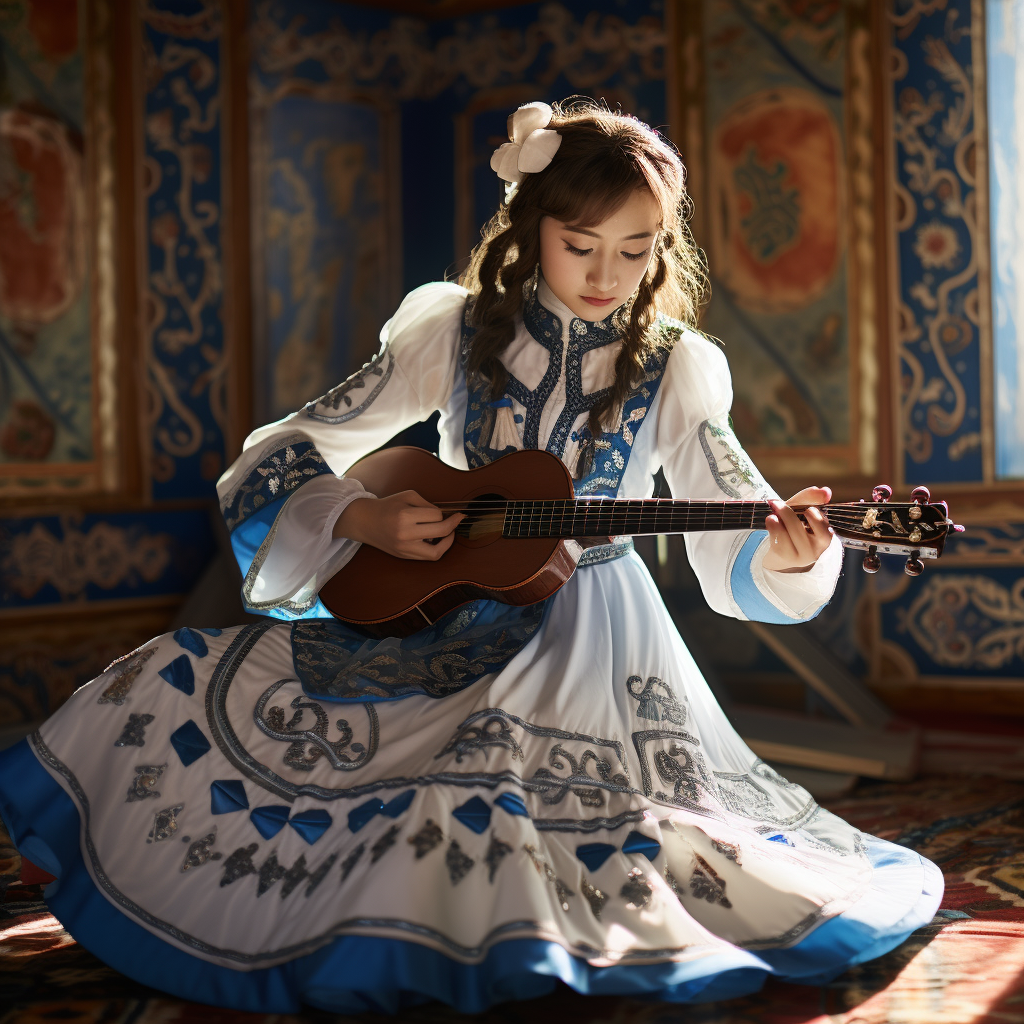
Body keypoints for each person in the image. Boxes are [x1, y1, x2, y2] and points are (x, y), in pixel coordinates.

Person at [0, 100, 941, 1015]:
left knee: (482, 792)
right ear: (532, 229)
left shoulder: (676, 366)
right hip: (440, 608)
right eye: (582, 245)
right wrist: (362, 523)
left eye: (637, 249)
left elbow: (732, 520)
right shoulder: (450, 332)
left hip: (596, 639)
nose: (609, 274)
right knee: (179, 675)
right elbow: (286, 445)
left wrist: (784, 546)